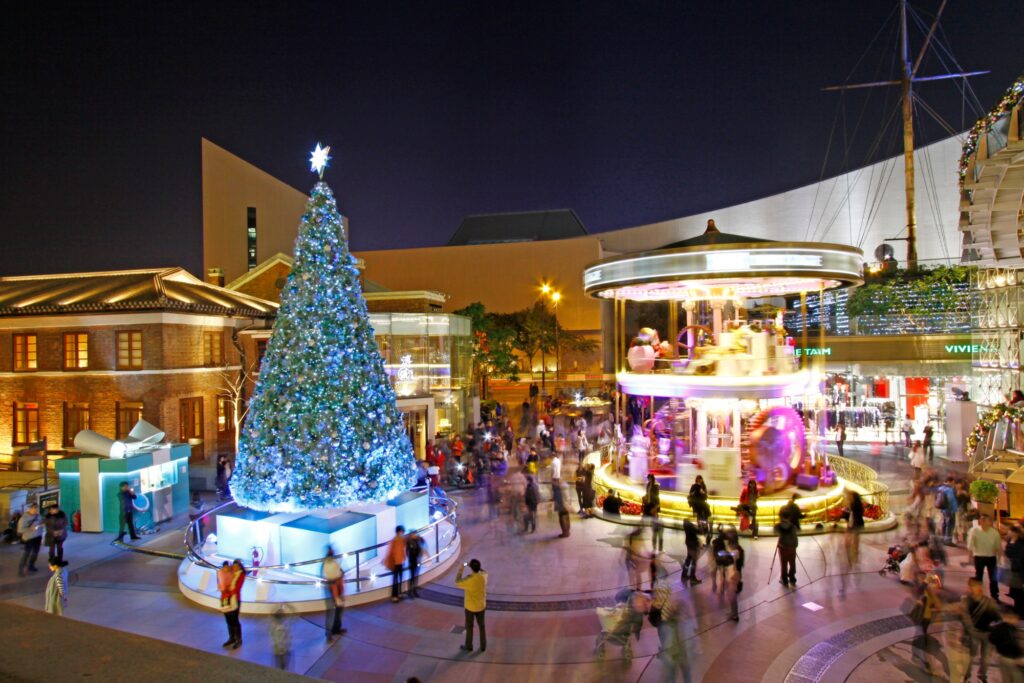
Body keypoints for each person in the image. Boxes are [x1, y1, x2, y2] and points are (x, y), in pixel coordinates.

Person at [652, 568, 691, 683]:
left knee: (671, 662)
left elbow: (657, 602)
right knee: (683, 662)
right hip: (673, 620)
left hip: (665, 620)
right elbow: (680, 601)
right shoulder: (672, 584)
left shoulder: (657, 585)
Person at [962, 576, 1000, 682]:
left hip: (988, 634)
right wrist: (970, 630)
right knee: (970, 656)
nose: (974, 588)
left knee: (986, 658)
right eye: (972, 586)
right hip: (974, 633)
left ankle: (982, 676)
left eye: (977, 586)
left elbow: (997, 617)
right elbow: (966, 618)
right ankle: (966, 675)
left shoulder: (989, 602)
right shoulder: (966, 601)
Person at [910, 573, 941, 674]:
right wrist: (926, 582)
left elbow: (936, 604)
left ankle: (920, 656)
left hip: (926, 617)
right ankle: (922, 659)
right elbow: (919, 591)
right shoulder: (922, 590)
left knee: (922, 635)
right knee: (921, 636)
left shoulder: (930, 591)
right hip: (922, 617)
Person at [969, 513, 1003, 600]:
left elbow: (998, 546)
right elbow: (970, 544)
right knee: (978, 576)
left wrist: (1000, 558)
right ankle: (978, 595)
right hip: (979, 556)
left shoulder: (994, 533)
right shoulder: (975, 530)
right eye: (981, 519)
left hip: (991, 557)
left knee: (993, 578)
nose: (983, 521)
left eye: (985, 520)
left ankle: (995, 596)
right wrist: (970, 556)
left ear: (989, 522)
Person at [456, 559, 487, 652]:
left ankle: (469, 646)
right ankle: (483, 646)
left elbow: (457, 582)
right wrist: (475, 566)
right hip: (481, 606)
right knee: (482, 626)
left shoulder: (469, 580)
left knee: (469, 627)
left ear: (471, 568)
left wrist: (462, 567)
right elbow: (483, 571)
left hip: (470, 607)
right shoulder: (484, 576)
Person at [988, 608, 1024, 683]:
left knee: (1006, 679)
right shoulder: (1008, 629)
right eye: (1016, 619)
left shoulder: (999, 627)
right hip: (1013, 660)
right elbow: (1013, 644)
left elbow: (991, 638)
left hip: (1003, 658)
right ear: (1011, 618)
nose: (1017, 621)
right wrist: (1020, 656)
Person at [322, 549, 346, 638]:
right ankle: (330, 632)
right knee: (333, 611)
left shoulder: (330, 563)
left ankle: (336, 629)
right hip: (333, 589)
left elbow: (339, 573)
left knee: (338, 609)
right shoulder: (329, 564)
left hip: (336, 588)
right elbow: (335, 575)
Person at [222, 559, 245, 649]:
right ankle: (232, 638)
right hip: (226, 599)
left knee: (235, 620)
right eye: (234, 567)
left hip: (235, 600)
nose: (235, 568)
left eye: (236, 567)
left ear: (239, 567)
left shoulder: (241, 575)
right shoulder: (229, 573)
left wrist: (227, 588)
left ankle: (239, 640)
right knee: (228, 620)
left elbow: (236, 588)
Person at [17, 502, 43, 576]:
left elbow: (40, 523)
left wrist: (41, 525)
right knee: (26, 553)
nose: (36, 511)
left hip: (37, 536)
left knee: (35, 552)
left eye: (37, 509)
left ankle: (31, 565)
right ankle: (21, 569)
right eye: (34, 509)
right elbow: (20, 530)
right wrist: (30, 529)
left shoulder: (38, 516)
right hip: (28, 538)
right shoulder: (24, 518)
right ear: (30, 509)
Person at [774, 516, 799, 587]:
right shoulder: (793, 526)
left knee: (784, 564)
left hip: (783, 547)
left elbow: (775, 532)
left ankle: (784, 580)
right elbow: (795, 536)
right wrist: (795, 546)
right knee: (792, 563)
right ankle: (792, 578)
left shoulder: (778, 526)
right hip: (792, 548)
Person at [725, 538, 744, 622]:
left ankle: (735, 615)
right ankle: (733, 613)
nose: (728, 546)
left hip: (734, 575)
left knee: (732, 597)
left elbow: (729, 556)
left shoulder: (736, 552)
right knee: (732, 596)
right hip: (735, 575)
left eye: (729, 545)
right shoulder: (738, 551)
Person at [386, 526, 407, 602]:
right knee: (395, 580)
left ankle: (399, 593)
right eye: (402, 531)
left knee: (400, 578)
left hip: (400, 562)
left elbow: (403, 549)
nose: (403, 533)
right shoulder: (394, 541)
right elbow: (391, 553)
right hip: (395, 563)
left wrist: (404, 558)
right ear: (399, 532)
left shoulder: (402, 540)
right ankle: (394, 596)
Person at [1007, 525, 1024, 618]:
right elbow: (1007, 553)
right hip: (1013, 569)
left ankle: (1020, 611)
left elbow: (1020, 555)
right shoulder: (1010, 541)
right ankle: (1017, 608)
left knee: (1017, 591)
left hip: (1019, 569)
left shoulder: (1020, 542)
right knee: (1014, 590)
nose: (1008, 533)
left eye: (1010, 531)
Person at [644, 474, 663, 552]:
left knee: (655, 519)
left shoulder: (656, 485)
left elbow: (657, 497)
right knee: (648, 517)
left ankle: (658, 546)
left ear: (652, 478)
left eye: (649, 478)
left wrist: (656, 506)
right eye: (648, 478)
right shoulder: (648, 484)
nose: (649, 480)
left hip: (654, 504)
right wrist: (645, 496)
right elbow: (647, 493)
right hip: (648, 503)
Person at [936, 476, 958, 544]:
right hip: (949, 510)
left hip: (943, 510)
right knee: (950, 525)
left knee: (944, 524)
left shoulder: (940, 488)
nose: (953, 484)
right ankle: (948, 541)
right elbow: (952, 500)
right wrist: (954, 509)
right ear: (949, 481)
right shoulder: (949, 490)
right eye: (952, 482)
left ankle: (943, 539)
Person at [681, 520, 703, 585]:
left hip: (688, 543)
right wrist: (700, 525)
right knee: (694, 561)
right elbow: (700, 532)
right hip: (693, 544)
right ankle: (692, 578)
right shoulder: (692, 528)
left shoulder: (687, 526)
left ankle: (684, 575)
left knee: (688, 559)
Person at [406, 530, 425, 597]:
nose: (415, 535)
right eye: (413, 534)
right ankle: (410, 591)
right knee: (412, 576)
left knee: (416, 576)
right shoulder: (409, 542)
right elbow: (409, 552)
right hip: (412, 561)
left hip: (417, 561)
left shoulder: (418, 540)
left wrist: (420, 538)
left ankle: (414, 590)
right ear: (411, 535)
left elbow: (423, 542)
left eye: (415, 534)